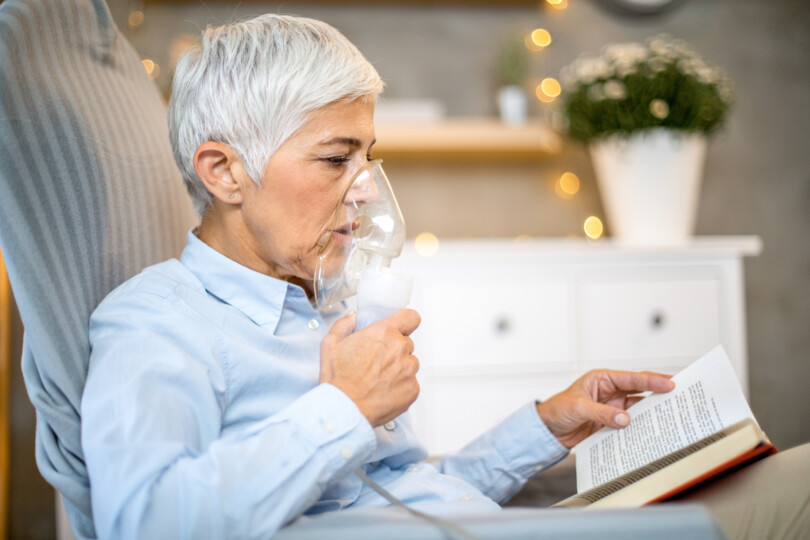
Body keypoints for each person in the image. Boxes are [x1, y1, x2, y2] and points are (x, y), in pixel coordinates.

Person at [81, 13, 808, 540]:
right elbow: (142, 524)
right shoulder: (157, 320)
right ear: (224, 171)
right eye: (338, 159)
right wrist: (344, 408)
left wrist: (545, 427)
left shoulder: (322, 302)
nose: (365, 189)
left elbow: (410, 495)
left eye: (369, 158)